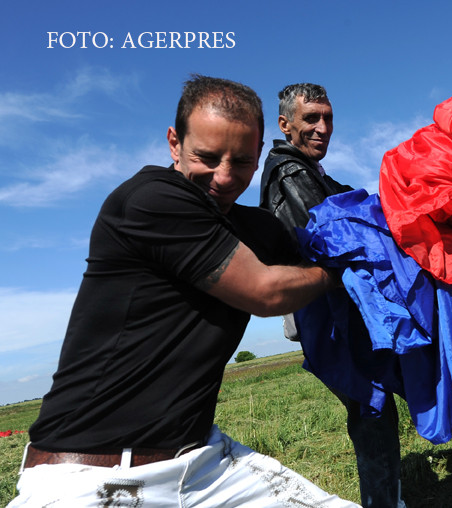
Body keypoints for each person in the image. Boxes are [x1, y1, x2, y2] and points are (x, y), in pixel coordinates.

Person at [11, 76, 357, 507]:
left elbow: (331, 233)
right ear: (174, 143)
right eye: (207, 157)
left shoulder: (254, 228)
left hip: (199, 460)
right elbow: (268, 293)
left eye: (243, 161)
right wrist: (344, 264)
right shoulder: (150, 200)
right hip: (88, 475)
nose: (224, 178)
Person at [259, 84, 403, 508]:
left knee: (373, 407)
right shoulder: (290, 175)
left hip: (335, 314)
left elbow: (361, 206)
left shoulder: (312, 172)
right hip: (328, 319)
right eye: (311, 119)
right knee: (371, 408)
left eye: (328, 118)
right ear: (285, 125)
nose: (322, 128)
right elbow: (331, 242)